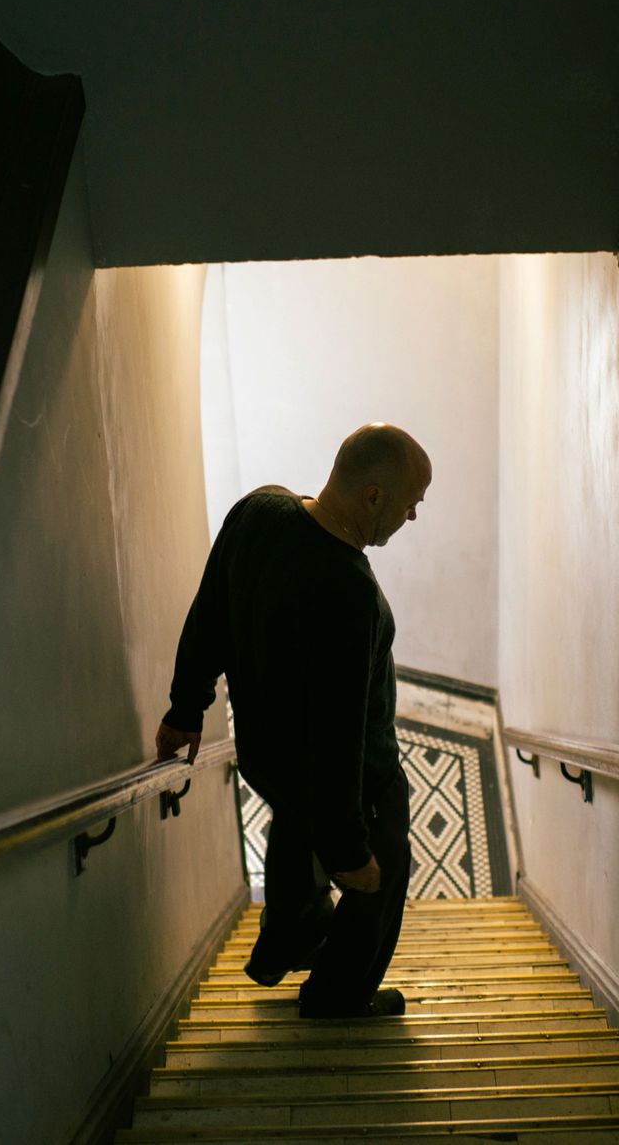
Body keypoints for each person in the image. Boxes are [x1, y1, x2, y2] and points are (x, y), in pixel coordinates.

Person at [154, 424, 431, 1018]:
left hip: (268, 754)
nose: (412, 518)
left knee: (297, 824)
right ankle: (338, 996)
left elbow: (209, 616)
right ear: (374, 497)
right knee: (381, 877)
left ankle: (291, 937)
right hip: (360, 777)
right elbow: (339, 736)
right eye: (410, 504)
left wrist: (185, 708)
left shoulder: (259, 512)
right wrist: (350, 850)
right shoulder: (349, 592)